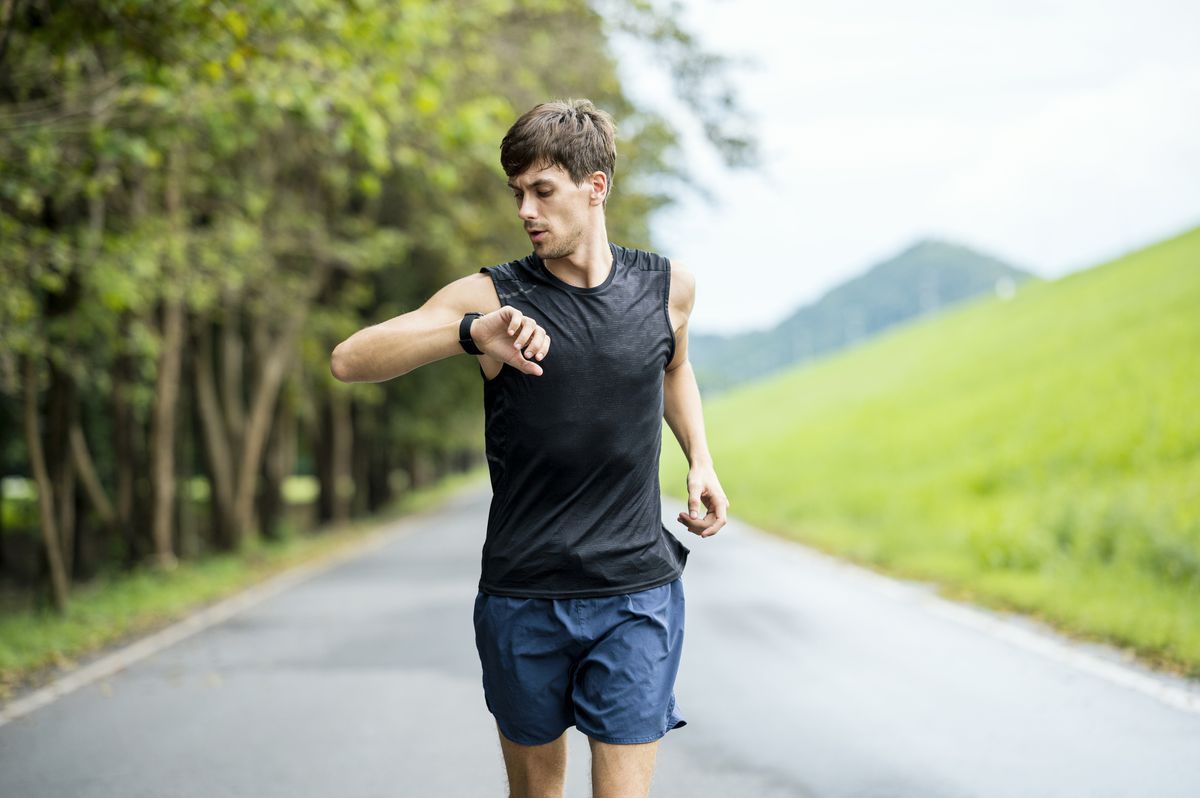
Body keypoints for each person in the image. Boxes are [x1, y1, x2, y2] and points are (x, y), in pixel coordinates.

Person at [330, 98, 729, 798]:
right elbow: (350, 360)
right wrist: (471, 333)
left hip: (636, 590)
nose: (526, 209)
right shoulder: (495, 296)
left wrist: (701, 458)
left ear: (594, 186)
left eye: (543, 190)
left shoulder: (669, 290)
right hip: (524, 595)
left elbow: (673, 366)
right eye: (518, 193)